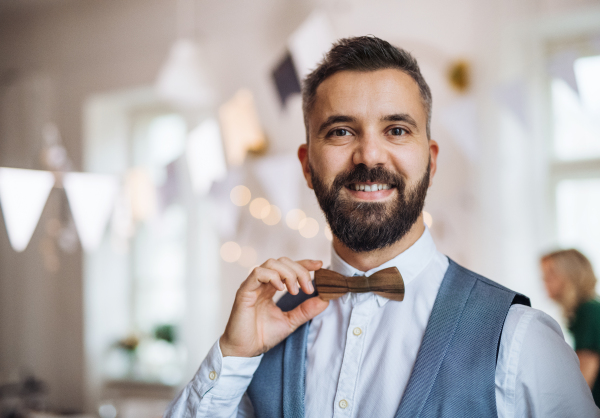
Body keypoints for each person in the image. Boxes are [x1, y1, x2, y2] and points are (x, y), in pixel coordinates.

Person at [164, 36, 598, 417]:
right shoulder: (264, 333)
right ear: (307, 166)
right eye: (340, 132)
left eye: (395, 129)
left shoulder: (522, 339)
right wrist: (235, 354)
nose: (369, 156)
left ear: (430, 160)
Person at [541, 249, 600, 407]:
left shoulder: (588, 311)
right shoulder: (589, 308)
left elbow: (584, 380)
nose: (544, 281)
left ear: (571, 275)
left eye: (551, 274)